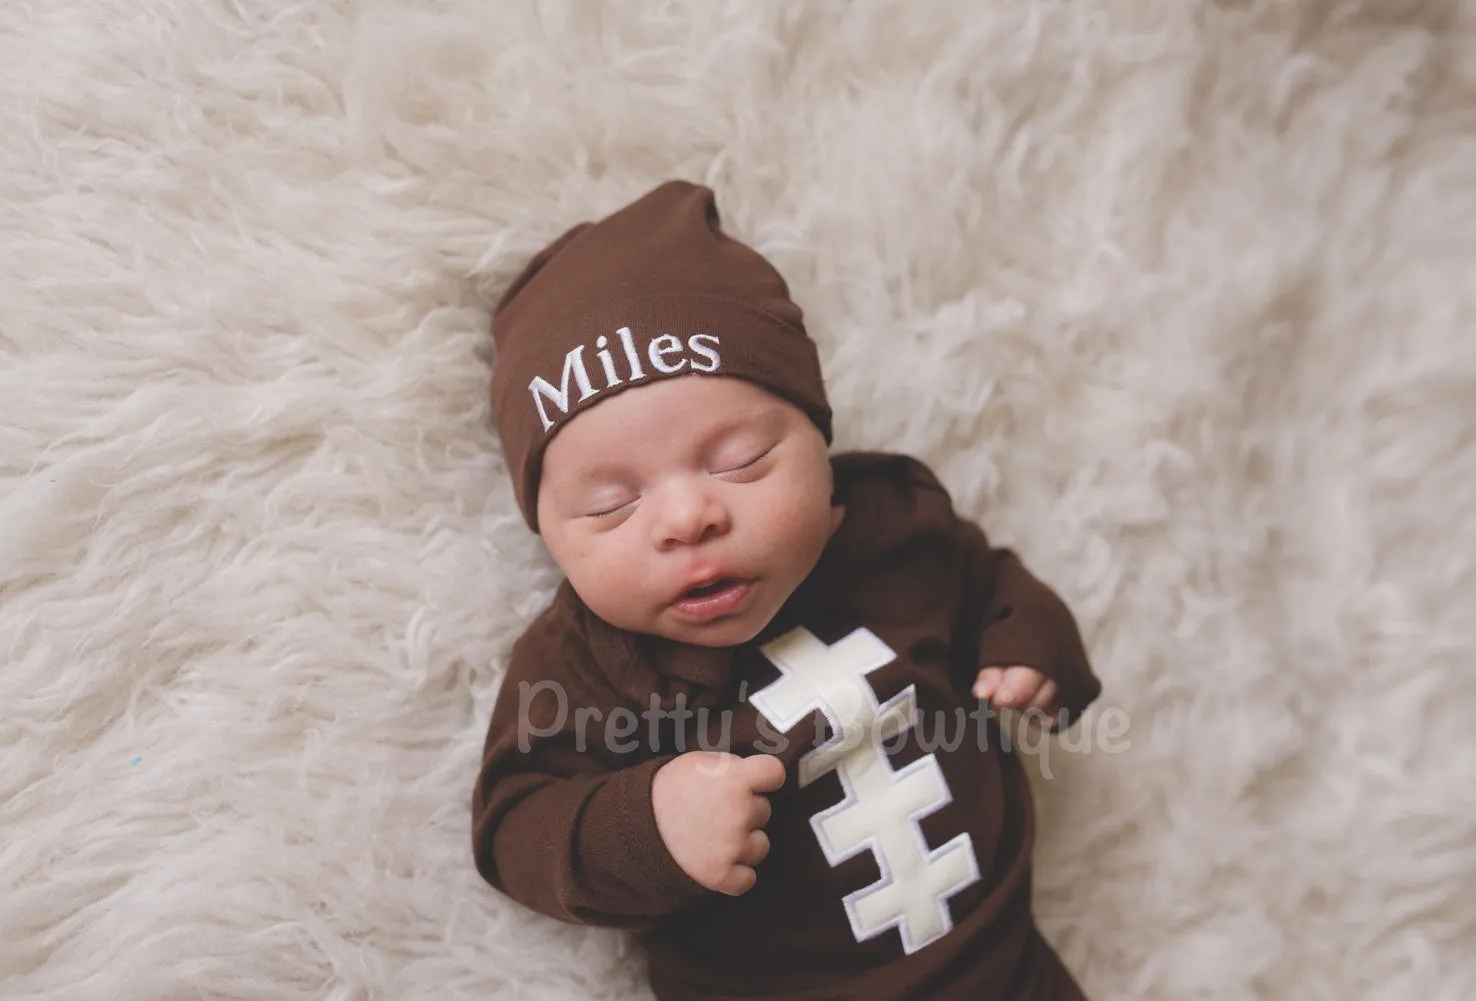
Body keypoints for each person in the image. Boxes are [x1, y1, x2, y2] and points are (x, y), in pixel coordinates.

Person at [470, 179, 1102, 1000]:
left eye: (739, 460)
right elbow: (515, 822)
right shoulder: (585, 660)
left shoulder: (892, 525)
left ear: (816, 430)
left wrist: (1031, 648)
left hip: (1007, 965)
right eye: (610, 504)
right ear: (548, 532)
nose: (688, 516)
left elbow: (990, 583)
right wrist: (650, 826)